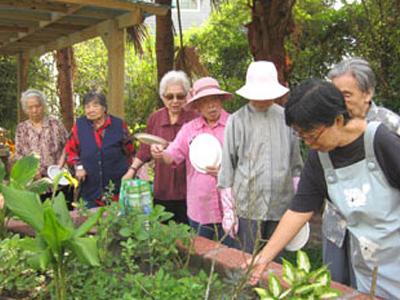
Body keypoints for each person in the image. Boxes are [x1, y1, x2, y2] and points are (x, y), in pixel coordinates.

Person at [248, 79, 400, 299]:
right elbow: (300, 209)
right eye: (302, 137)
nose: (308, 143)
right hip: (368, 267)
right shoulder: (320, 158)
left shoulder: (380, 141)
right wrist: (263, 259)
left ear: (338, 120)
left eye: (312, 135)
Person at [321, 57, 400, 285]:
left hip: (380, 237)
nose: (338, 103)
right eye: (334, 96)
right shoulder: (328, 128)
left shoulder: (389, 126)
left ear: (367, 93)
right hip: (337, 229)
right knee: (334, 286)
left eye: (346, 95)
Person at [218, 61, 303, 254]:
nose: (263, 99)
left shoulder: (286, 119)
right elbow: (227, 168)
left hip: (281, 201)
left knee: (276, 259)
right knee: (248, 258)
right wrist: (229, 210)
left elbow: (295, 164)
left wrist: (298, 201)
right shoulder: (237, 121)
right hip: (248, 204)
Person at [150, 77, 233, 245]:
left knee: (234, 257)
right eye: (205, 101)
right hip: (200, 207)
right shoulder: (190, 129)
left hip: (232, 207)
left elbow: (248, 161)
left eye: (214, 100)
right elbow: (172, 154)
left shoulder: (235, 125)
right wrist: (160, 153)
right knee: (199, 256)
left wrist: (227, 171)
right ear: (197, 106)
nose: (211, 106)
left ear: (221, 100)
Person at [122, 70, 197, 224]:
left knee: (188, 238)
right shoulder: (155, 118)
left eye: (180, 96)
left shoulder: (194, 118)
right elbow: (144, 149)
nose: (175, 101)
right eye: (170, 96)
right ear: (163, 97)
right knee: (163, 235)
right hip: (162, 188)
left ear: (187, 96)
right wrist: (132, 170)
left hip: (189, 190)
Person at [65, 90, 134, 208]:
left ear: (104, 108)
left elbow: (130, 150)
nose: (90, 110)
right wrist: (79, 167)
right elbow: (70, 151)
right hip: (89, 190)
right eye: (87, 106)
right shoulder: (80, 125)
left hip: (117, 188)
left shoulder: (118, 124)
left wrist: (130, 171)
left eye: (95, 106)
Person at [15, 89, 68, 179]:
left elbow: (68, 145)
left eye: (37, 106)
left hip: (57, 177)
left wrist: (62, 162)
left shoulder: (55, 123)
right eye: (30, 107)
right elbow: (19, 154)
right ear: (26, 109)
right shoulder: (22, 129)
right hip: (34, 181)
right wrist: (31, 171)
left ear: (43, 106)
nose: (34, 110)